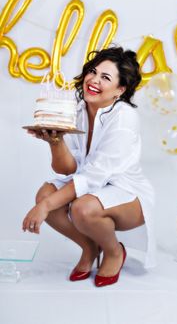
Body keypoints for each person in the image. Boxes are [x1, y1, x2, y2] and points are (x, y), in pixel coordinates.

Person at [22, 46, 157, 287]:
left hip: (127, 194)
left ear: (120, 89)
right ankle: (89, 247)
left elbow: (94, 176)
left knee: (81, 208)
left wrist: (45, 207)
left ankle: (114, 251)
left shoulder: (124, 117)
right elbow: (67, 168)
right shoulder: (77, 110)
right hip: (90, 185)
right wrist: (56, 141)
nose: (94, 80)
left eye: (105, 77)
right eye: (92, 72)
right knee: (45, 193)